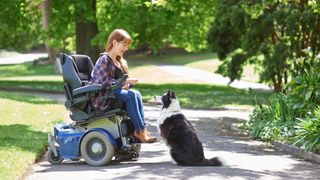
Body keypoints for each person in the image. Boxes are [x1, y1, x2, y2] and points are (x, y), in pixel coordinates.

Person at [90, 29, 158, 143]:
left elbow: (119, 83)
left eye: (127, 46)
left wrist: (126, 84)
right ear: (115, 42)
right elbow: (104, 82)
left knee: (136, 93)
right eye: (124, 45)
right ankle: (140, 131)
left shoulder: (119, 61)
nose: (126, 48)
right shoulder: (104, 60)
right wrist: (125, 82)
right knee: (131, 95)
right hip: (104, 98)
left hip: (113, 94)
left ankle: (142, 130)